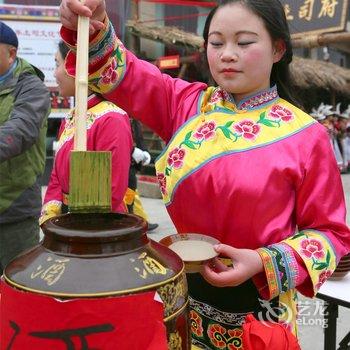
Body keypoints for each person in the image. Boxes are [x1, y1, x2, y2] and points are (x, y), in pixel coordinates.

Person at [59, 1, 350, 348]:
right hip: (182, 296)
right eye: (216, 42)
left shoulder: (306, 136)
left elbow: (330, 234)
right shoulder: (186, 105)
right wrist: (95, 24)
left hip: (260, 307)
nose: (228, 54)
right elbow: (126, 73)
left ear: (278, 48)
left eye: (244, 43)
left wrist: (261, 261)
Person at [39, 41, 132, 224]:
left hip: (100, 225)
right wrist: (51, 215)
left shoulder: (111, 118)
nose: (54, 74)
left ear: (76, 67)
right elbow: (56, 175)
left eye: (57, 64)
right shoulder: (72, 117)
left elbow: (111, 191)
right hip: (68, 218)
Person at [0, 21, 50, 276]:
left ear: (11, 53)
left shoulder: (32, 88)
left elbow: (20, 131)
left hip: (14, 209)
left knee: (17, 285)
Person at [125, 118, 159, 231]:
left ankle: (139, 221)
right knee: (129, 196)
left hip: (132, 163)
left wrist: (145, 151)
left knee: (132, 194)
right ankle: (137, 222)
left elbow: (139, 136)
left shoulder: (133, 117)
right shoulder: (118, 113)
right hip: (123, 160)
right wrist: (132, 150)